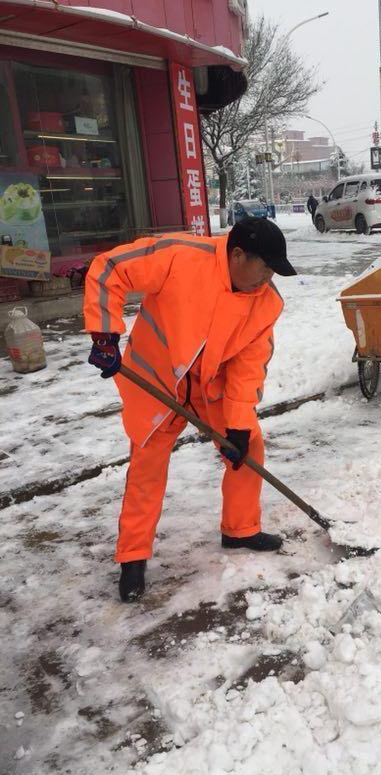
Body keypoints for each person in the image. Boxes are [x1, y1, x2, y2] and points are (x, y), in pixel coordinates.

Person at [84, 217, 297, 603]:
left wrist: (237, 426)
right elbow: (109, 268)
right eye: (264, 267)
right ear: (237, 254)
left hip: (210, 388)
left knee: (248, 449)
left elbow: (248, 370)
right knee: (147, 465)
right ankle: (133, 556)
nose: (267, 279)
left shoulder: (265, 302)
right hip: (159, 380)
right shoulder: (181, 256)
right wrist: (104, 334)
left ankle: (240, 528)